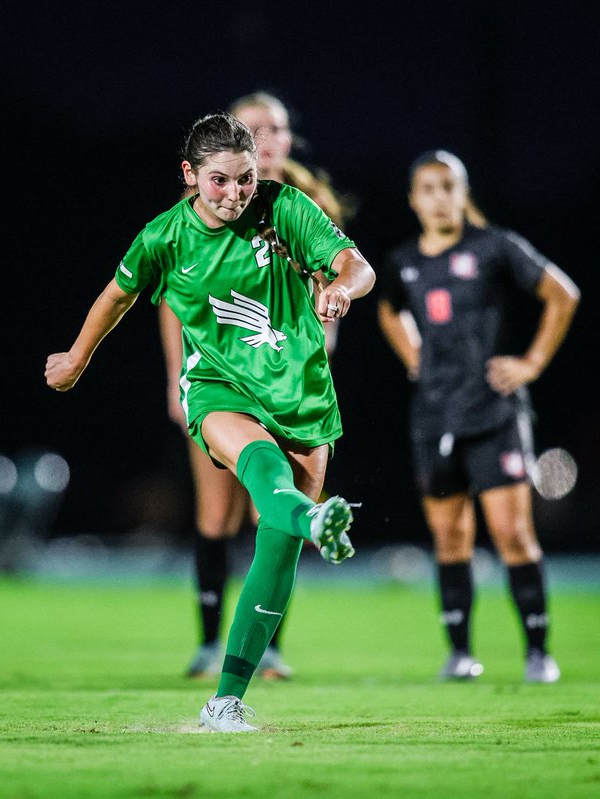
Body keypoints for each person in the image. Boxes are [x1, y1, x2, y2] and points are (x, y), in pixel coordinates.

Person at [46, 112, 375, 731]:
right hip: (219, 389)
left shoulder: (285, 208)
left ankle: (226, 699)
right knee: (267, 481)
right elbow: (119, 293)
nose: (234, 194)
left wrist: (341, 289)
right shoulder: (165, 237)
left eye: (245, 179)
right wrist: (77, 357)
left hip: (302, 393)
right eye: (220, 180)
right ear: (190, 174)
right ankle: (314, 521)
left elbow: (360, 267)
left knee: (277, 543)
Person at [159, 92, 353, 681]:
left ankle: (267, 647)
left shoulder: (306, 204)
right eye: (256, 127)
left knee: (276, 516)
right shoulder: (199, 208)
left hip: (289, 383)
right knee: (215, 514)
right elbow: (171, 301)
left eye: (278, 128)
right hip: (220, 379)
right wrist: (176, 377)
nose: (268, 137)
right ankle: (207, 641)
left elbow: (338, 275)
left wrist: (321, 343)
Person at [377, 150, 579, 683]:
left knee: (512, 533)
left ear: (464, 194)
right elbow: (387, 308)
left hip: (494, 412)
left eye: (450, 186)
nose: (440, 197)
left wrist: (531, 362)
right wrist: (412, 356)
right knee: (449, 538)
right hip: (434, 417)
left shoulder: (495, 247)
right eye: (429, 188)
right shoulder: (403, 261)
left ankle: (538, 652)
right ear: (414, 200)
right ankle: (460, 653)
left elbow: (562, 294)